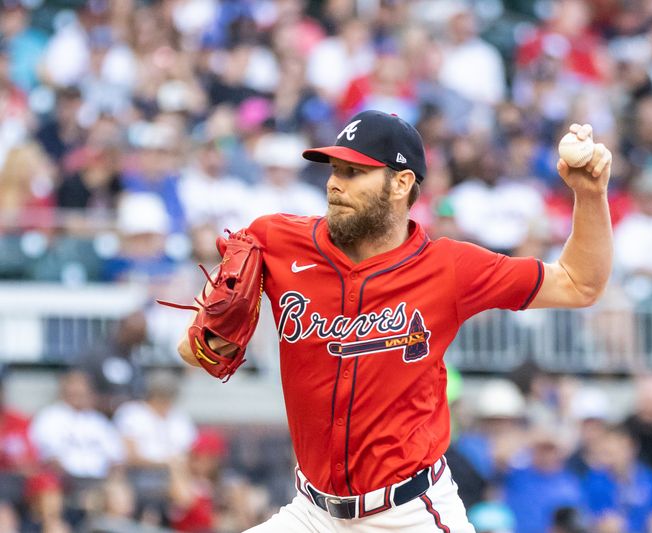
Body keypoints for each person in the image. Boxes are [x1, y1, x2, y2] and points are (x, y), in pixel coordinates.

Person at [177, 110, 614, 532]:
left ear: (402, 182)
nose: (334, 184)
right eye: (334, 169)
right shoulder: (277, 239)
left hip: (409, 512)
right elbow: (193, 350)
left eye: (353, 172)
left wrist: (590, 195)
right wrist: (209, 333)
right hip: (312, 513)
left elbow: (579, 284)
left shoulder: (449, 267)